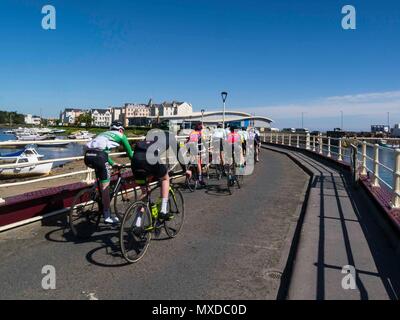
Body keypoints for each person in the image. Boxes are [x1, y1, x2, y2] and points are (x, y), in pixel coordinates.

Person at [131, 129, 191, 220]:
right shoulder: (170, 136)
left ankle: (137, 223)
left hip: (135, 161)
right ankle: (163, 210)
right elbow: (179, 155)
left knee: (145, 193)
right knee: (165, 179)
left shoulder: (148, 137)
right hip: (151, 159)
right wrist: (185, 170)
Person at [84, 121, 134, 224]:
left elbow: (104, 154)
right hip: (99, 158)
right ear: (121, 129)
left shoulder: (103, 134)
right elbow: (130, 154)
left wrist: (113, 163)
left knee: (101, 175)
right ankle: (107, 216)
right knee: (105, 187)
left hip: (88, 156)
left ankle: (95, 190)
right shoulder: (121, 135)